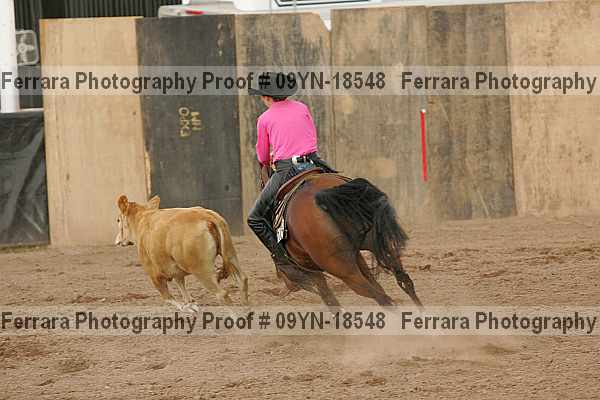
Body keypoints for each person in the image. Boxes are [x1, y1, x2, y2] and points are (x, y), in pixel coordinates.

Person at [247, 72, 335, 263]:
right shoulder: (302, 107)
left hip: (287, 169)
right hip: (313, 162)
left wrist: (269, 160)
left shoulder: (264, 119)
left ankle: (284, 260)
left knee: (254, 218)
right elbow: (311, 135)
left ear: (266, 97)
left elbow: (262, 154)